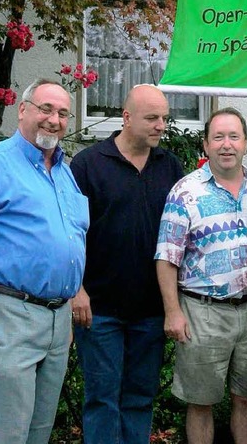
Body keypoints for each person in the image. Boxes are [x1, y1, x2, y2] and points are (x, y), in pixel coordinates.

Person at [0, 78, 89, 443]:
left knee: (39, 431)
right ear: (23, 110)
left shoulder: (65, 173)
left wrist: (64, 308)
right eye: (45, 109)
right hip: (11, 313)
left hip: (57, 319)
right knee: (9, 433)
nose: (55, 120)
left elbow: (70, 240)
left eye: (63, 113)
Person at [69, 84, 184, 443]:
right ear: (127, 117)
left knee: (139, 399)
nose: (161, 125)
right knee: (102, 400)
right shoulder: (88, 164)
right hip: (99, 309)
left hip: (150, 311)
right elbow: (70, 233)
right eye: (152, 118)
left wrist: (173, 306)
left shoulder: (170, 167)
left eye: (164, 118)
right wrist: (78, 289)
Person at [155, 108, 247, 444]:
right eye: (218, 137)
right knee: (200, 402)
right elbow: (166, 256)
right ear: (206, 144)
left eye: (234, 136)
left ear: (245, 142)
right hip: (202, 312)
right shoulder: (185, 191)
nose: (226, 145)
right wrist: (173, 312)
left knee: (246, 399)